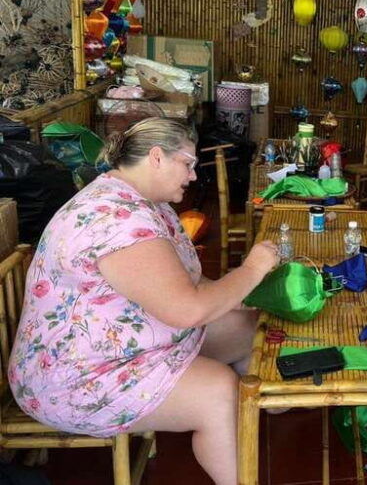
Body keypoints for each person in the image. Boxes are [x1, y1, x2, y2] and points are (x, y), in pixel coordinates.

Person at [9, 118, 278, 485]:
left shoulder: (145, 200)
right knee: (218, 393)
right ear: (156, 157)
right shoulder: (116, 219)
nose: (194, 176)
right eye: (188, 163)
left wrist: (237, 297)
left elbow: (188, 281)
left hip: (124, 342)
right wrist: (253, 270)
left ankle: (267, 405)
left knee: (245, 325)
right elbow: (188, 309)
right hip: (78, 375)